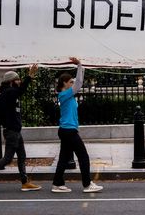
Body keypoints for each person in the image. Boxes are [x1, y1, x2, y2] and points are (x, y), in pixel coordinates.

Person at [0, 64, 42, 193]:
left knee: (22, 156)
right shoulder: (9, 92)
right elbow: (21, 90)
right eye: (17, 80)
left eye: (19, 79)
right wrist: (29, 77)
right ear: (11, 82)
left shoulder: (9, 95)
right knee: (7, 158)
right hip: (12, 131)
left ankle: (25, 182)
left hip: (15, 131)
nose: (19, 82)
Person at [51, 57, 103, 193]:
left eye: (72, 81)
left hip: (66, 130)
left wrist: (81, 66)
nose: (73, 83)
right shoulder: (64, 94)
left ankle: (57, 183)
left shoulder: (67, 95)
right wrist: (79, 65)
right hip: (69, 131)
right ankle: (87, 184)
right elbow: (79, 82)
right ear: (64, 83)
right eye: (70, 82)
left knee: (63, 158)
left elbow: (78, 82)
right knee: (83, 156)